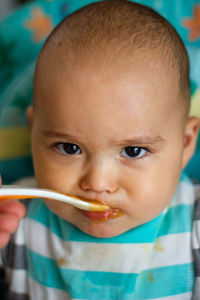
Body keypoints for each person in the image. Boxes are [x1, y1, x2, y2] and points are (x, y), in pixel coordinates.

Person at [0, 0, 200, 299]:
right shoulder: (15, 221)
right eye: (69, 148)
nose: (97, 183)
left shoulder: (194, 226)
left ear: (185, 144)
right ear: (34, 134)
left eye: (133, 151)